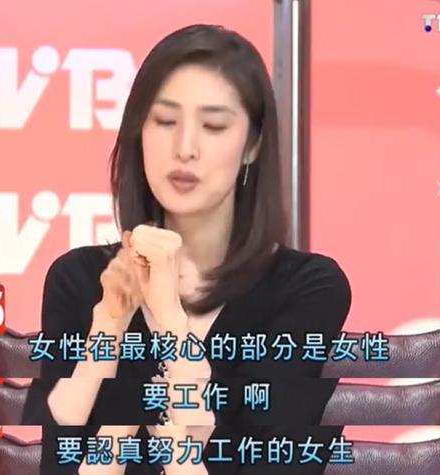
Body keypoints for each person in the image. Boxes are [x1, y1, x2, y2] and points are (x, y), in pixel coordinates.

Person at [22, 24, 351, 475]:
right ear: (139, 131)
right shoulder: (81, 282)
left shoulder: (306, 288)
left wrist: (170, 319)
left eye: (213, 126)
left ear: (252, 144)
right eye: (165, 121)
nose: (185, 148)